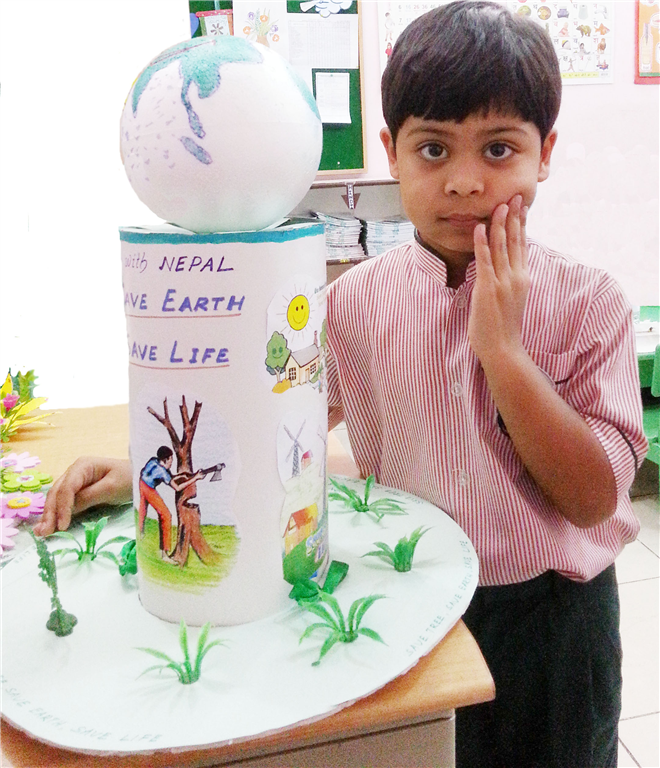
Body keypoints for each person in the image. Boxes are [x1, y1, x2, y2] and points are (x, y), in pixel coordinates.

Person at [36, 2, 646, 765]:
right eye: (433, 149)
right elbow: (276, 424)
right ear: (392, 152)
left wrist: (504, 353)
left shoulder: (590, 301)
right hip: (417, 593)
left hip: (554, 617)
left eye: (498, 149)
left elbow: (591, 500)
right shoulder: (351, 303)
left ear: (544, 152)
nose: (464, 182)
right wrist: (139, 475)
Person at [137, 446, 203, 558]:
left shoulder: (153, 460)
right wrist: (195, 478)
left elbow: (169, 477)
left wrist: (183, 476)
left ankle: (140, 533)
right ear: (165, 460)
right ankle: (164, 554)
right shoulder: (162, 472)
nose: (171, 463)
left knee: (143, 509)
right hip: (148, 489)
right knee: (166, 515)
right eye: (170, 460)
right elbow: (177, 488)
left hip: (141, 482)